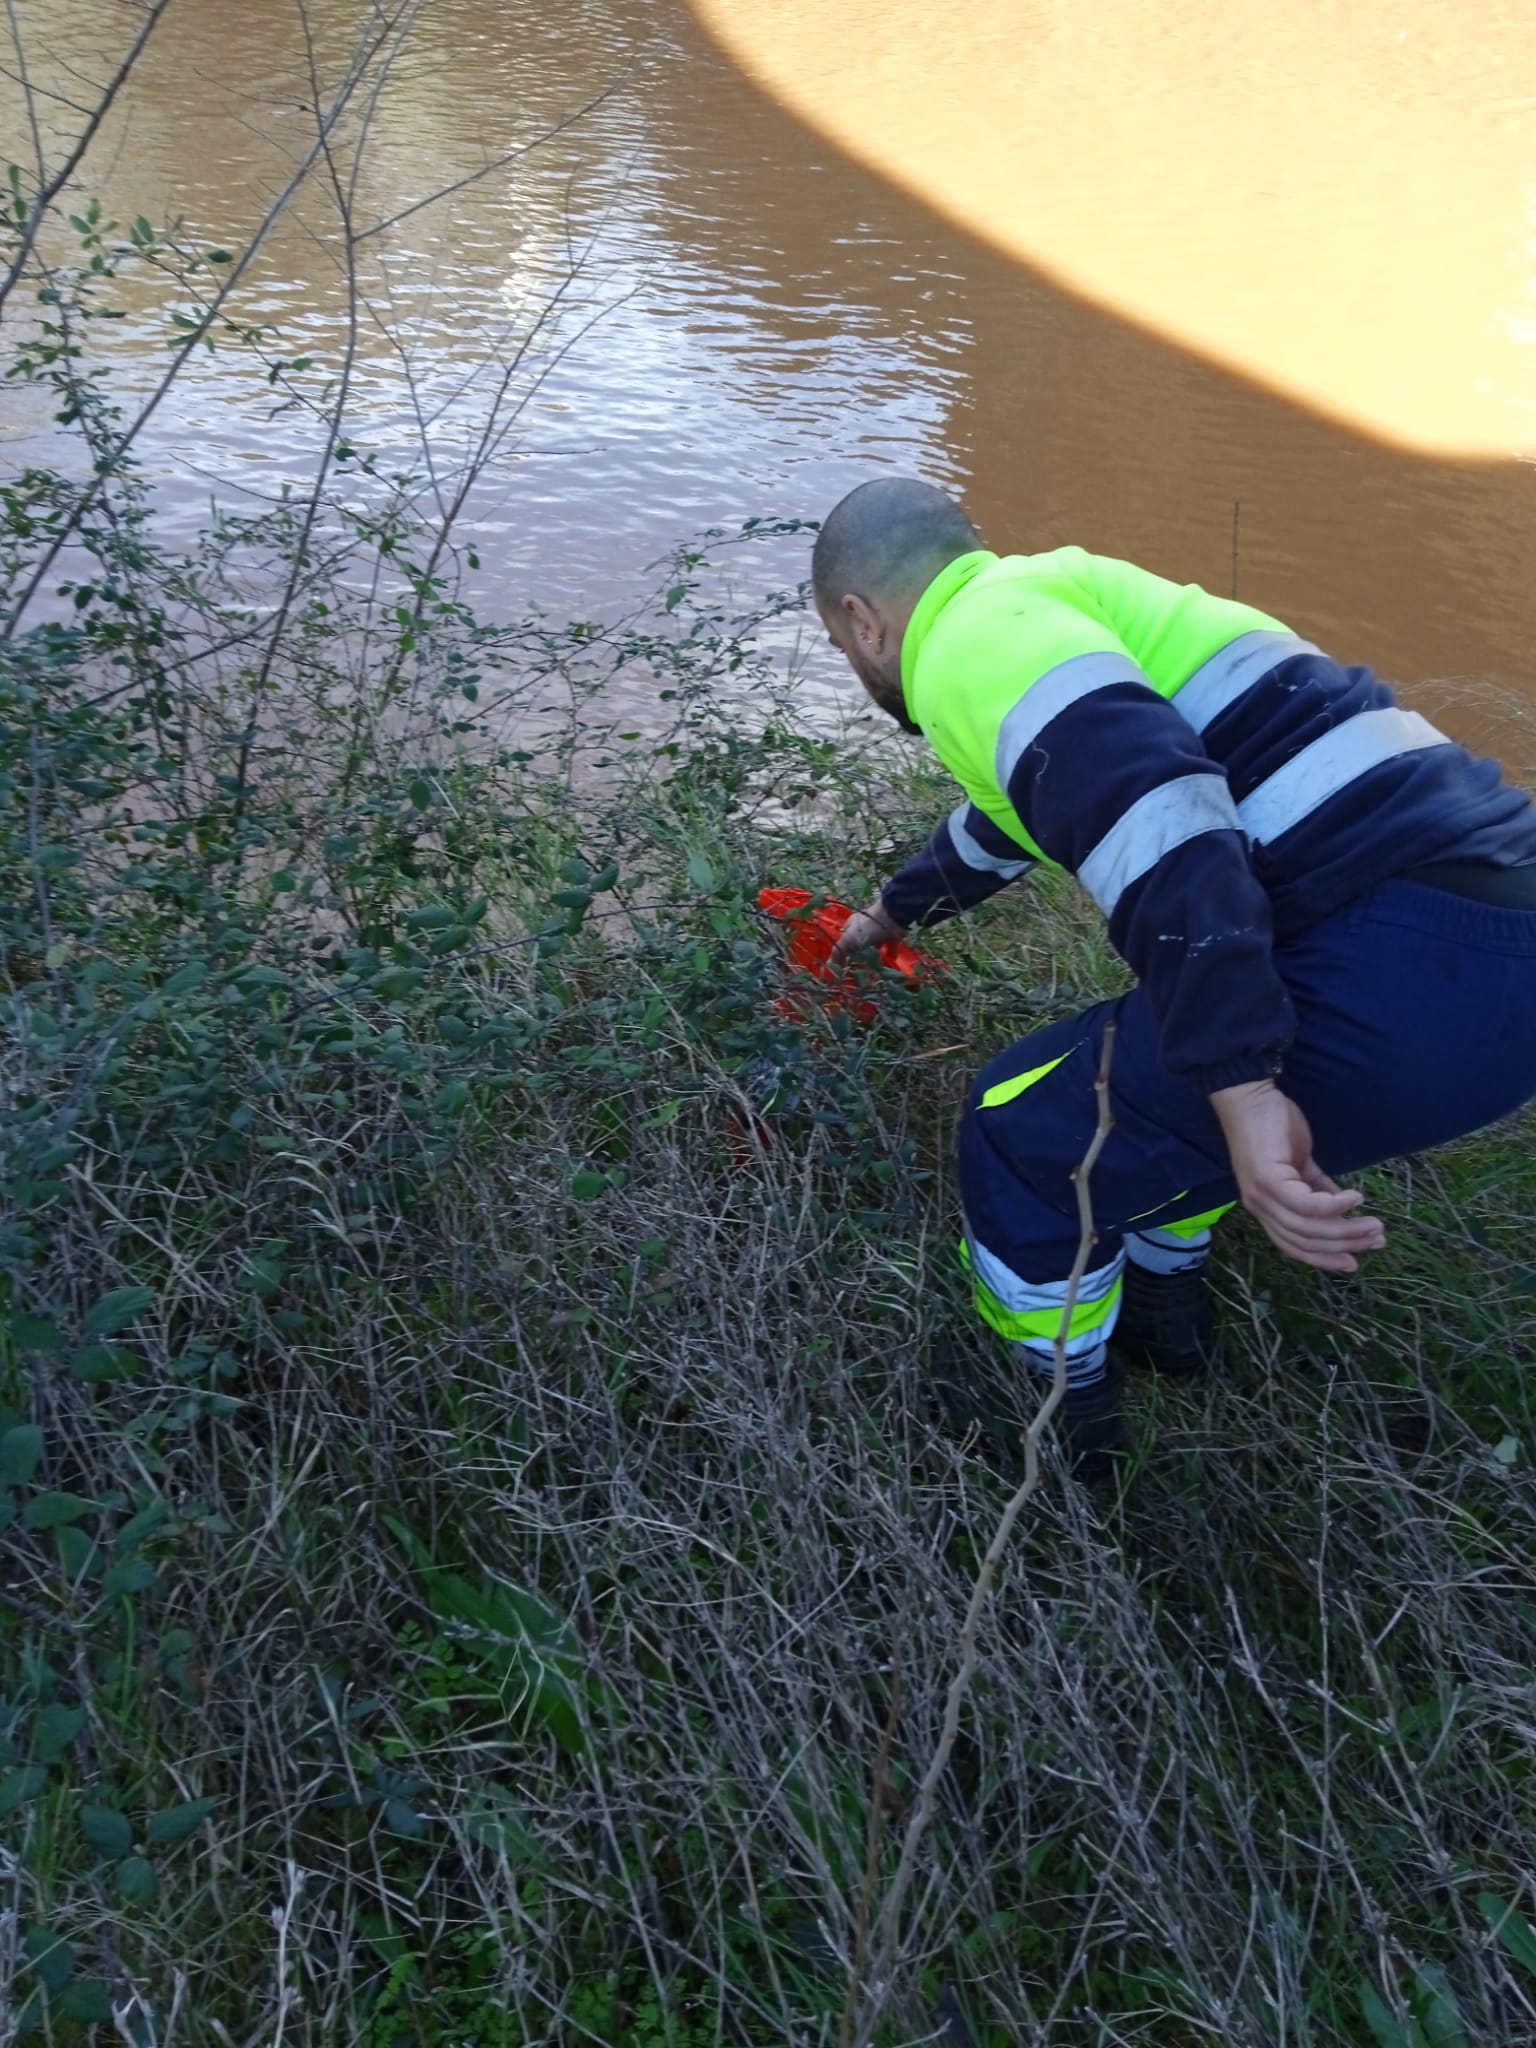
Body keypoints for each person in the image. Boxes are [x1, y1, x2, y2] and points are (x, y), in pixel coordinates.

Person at [813, 476, 1536, 1476]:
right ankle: (1168, 1323)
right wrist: (893, 912)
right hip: (1495, 935)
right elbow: (1016, 812)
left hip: (1402, 962)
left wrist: (1243, 1085)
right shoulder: (1055, 592)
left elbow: (1156, 806)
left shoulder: (965, 645)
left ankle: (1059, 1429)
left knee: (1017, 1129)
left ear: (863, 620)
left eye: (845, 650)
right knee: (1160, 1069)